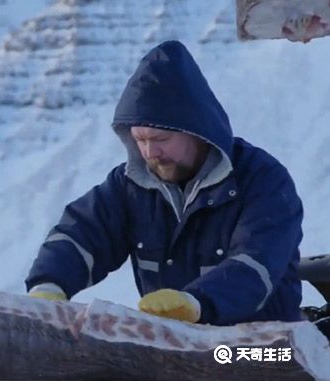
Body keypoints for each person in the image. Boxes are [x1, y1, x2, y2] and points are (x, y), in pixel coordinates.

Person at [25, 40, 304, 325]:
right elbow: (82, 234)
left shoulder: (264, 181)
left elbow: (256, 265)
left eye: (160, 139)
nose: (150, 153)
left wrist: (197, 303)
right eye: (140, 140)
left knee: (249, 362)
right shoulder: (130, 186)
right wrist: (49, 286)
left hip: (268, 350)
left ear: (198, 131)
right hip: (177, 349)